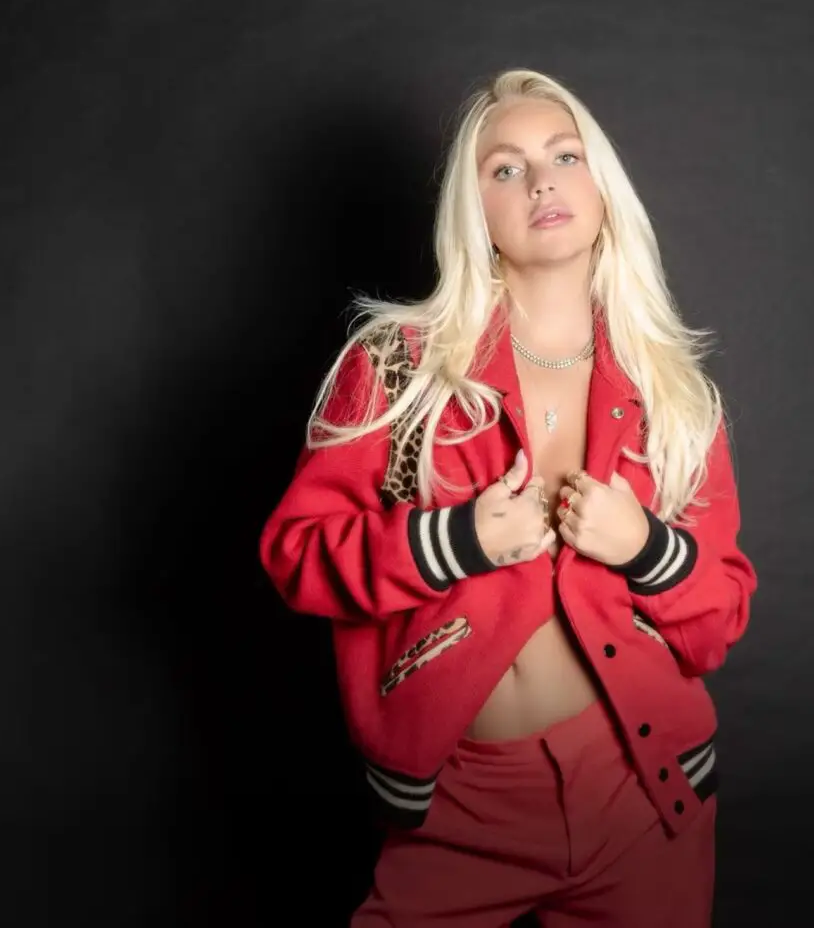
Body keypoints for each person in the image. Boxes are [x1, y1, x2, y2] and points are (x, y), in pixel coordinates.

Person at [259, 68, 758, 927]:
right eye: (505, 167)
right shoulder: (394, 367)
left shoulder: (674, 391)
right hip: (464, 804)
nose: (541, 180)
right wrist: (451, 541)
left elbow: (719, 620)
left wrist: (644, 546)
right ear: (474, 211)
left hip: (643, 794)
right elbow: (296, 556)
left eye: (565, 155)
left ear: (601, 187)